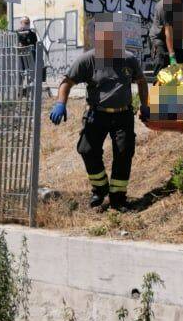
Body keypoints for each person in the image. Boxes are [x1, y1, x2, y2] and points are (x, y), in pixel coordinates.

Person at [50, 14, 150, 210]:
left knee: (123, 153)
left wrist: (145, 105)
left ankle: (118, 198)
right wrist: (60, 103)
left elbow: (141, 81)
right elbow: (66, 83)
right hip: (97, 114)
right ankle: (100, 188)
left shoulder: (128, 59)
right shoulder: (87, 60)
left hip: (123, 115)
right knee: (86, 149)